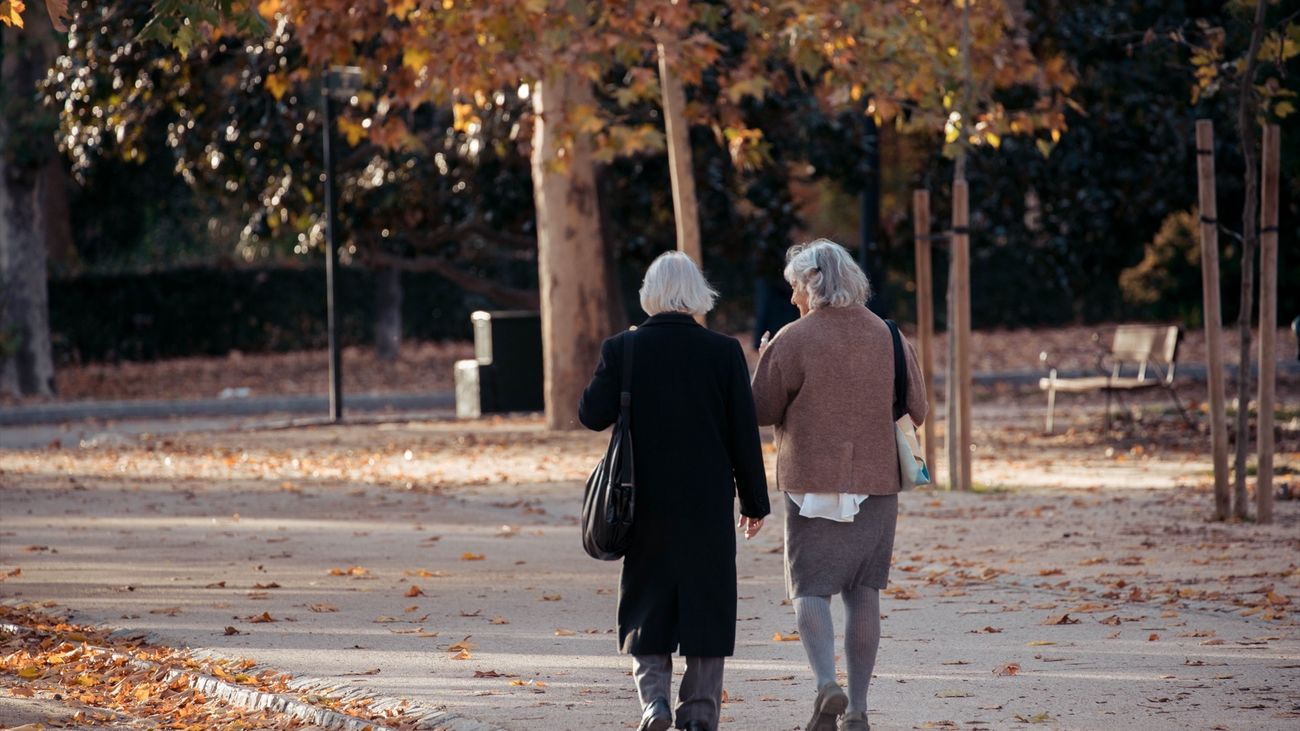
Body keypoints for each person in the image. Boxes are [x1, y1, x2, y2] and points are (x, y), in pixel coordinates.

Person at [579, 251, 771, 731]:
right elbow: (743, 435)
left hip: (641, 498)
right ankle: (701, 714)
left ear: (650, 293)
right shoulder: (724, 352)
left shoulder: (622, 349)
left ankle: (654, 704)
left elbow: (590, 415)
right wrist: (754, 502)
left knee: (647, 598)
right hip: (706, 499)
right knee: (708, 602)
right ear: (696, 294)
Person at [750, 239, 926, 731]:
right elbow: (920, 410)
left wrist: (766, 358)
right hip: (876, 481)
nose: (791, 300)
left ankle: (827, 683)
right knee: (864, 591)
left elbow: (760, 411)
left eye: (794, 289)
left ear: (811, 285)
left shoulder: (792, 338)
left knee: (810, 588)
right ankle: (860, 710)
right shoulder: (888, 335)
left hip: (810, 481)